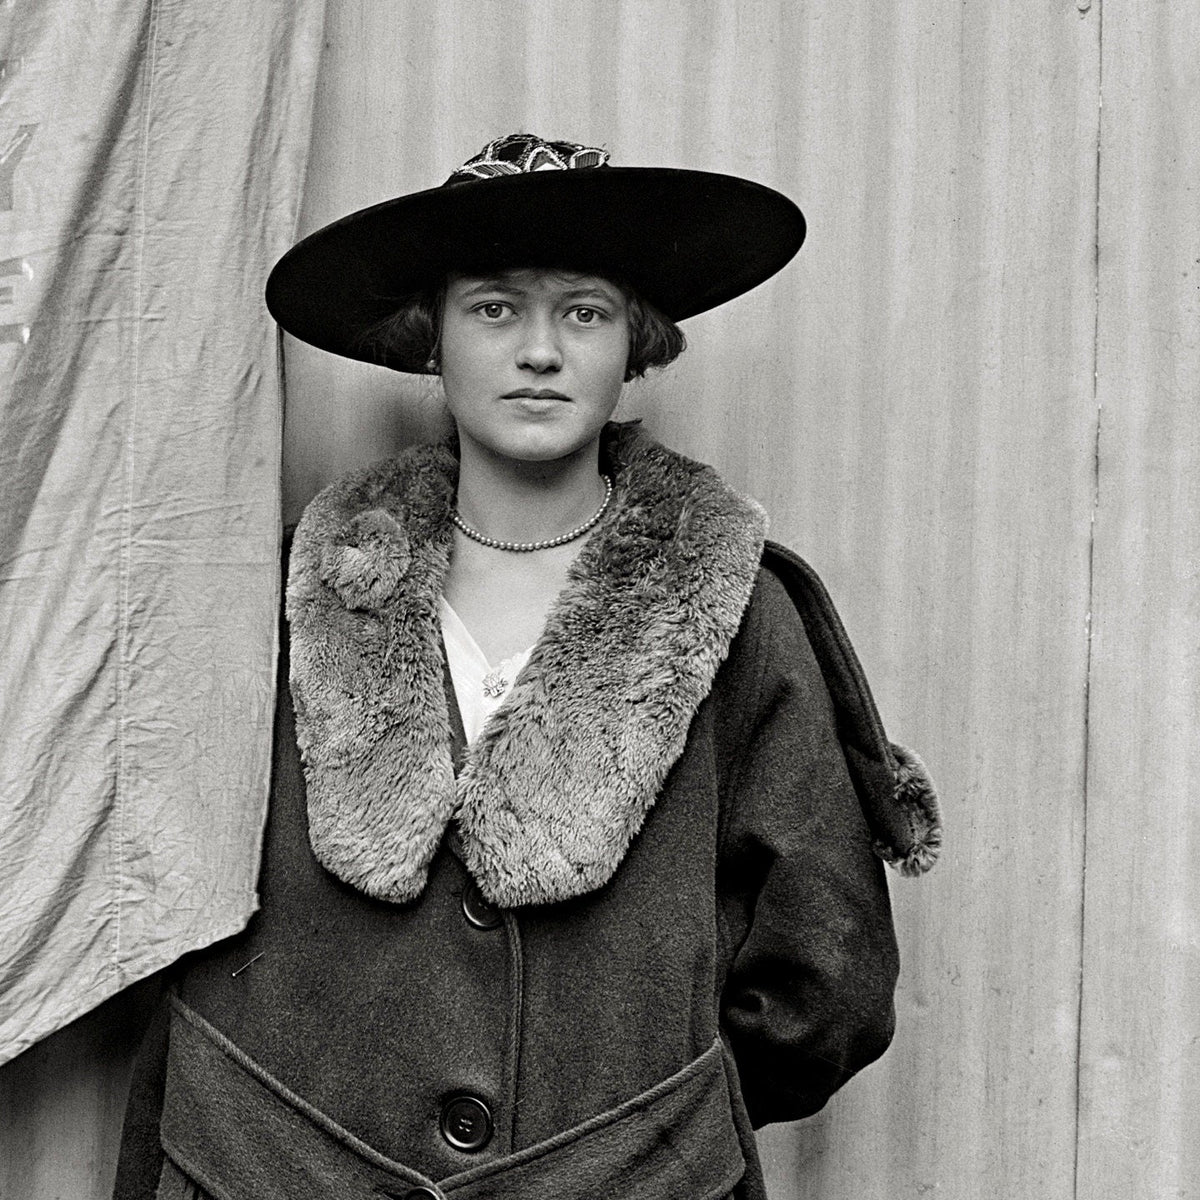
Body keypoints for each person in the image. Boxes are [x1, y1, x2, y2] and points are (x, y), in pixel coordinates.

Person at [114, 133, 940, 1200]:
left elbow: (829, 982)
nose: (540, 350)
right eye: (495, 308)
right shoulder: (289, 593)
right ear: (432, 340)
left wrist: (641, 1131)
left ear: (634, 344)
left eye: (584, 311)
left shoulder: (736, 609)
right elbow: (159, 875)